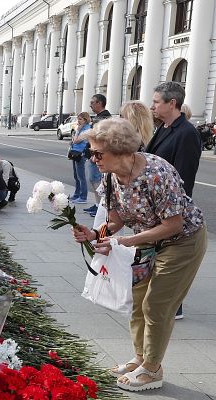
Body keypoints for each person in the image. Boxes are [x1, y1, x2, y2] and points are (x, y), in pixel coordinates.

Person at [72, 118, 207, 392]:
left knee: (156, 305)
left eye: (98, 153)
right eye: (91, 153)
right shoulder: (111, 177)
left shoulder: (156, 172)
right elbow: (115, 220)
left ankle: (152, 369)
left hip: (182, 241)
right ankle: (141, 358)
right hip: (146, 239)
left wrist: (128, 240)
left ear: (120, 150)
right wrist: (94, 234)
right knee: (137, 301)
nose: (93, 158)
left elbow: (174, 224)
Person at [145, 81, 202, 321]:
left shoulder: (187, 133)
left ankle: (173, 306)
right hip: (156, 206)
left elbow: (183, 177)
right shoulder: (165, 127)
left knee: (168, 257)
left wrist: (169, 211)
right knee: (155, 257)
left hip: (170, 210)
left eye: (157, 102)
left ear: (172, 103)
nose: (152, 106)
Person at [83, 94, 112, 216]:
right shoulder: (100, 117)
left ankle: (101, 206)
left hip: (97, 155)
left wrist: (93, 153)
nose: (90, 105)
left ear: (100, 103)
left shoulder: (104, 118)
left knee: (97, 181)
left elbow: (98, 138)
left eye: (93, 102)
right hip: (94, 154)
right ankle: (97, 205)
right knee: (93, 180)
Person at [69, 112, 92, 204]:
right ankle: (76, 194)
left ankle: (83, 196)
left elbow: (77, 140)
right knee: (76, 175)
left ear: (85, 120)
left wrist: (77, 131)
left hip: (81, 154)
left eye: (80, 119)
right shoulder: (81, 128)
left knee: (81, 176)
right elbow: (74, 141)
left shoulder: (87, 129)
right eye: (77, 119)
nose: (78, 121)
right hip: (75, 152)